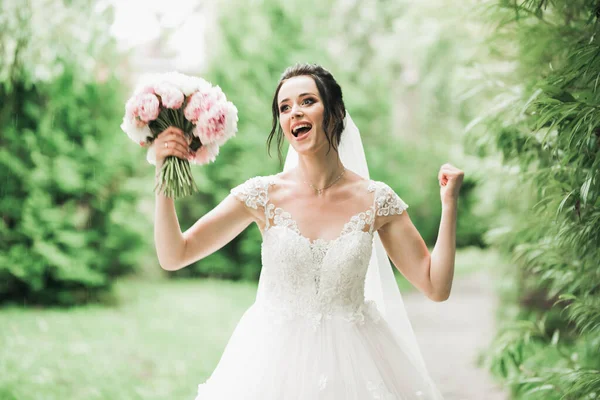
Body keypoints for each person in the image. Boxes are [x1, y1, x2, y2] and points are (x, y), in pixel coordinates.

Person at [153, 63, 464, 399]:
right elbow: (175, 255)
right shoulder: (261, 195)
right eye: (284, 107)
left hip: (356, 367)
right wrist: (163, 178)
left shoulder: (376, 200)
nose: (294, 112)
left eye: (307, 101)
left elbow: (435, 286)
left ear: (336, 112)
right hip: (270, 366)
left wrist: (449, 205)